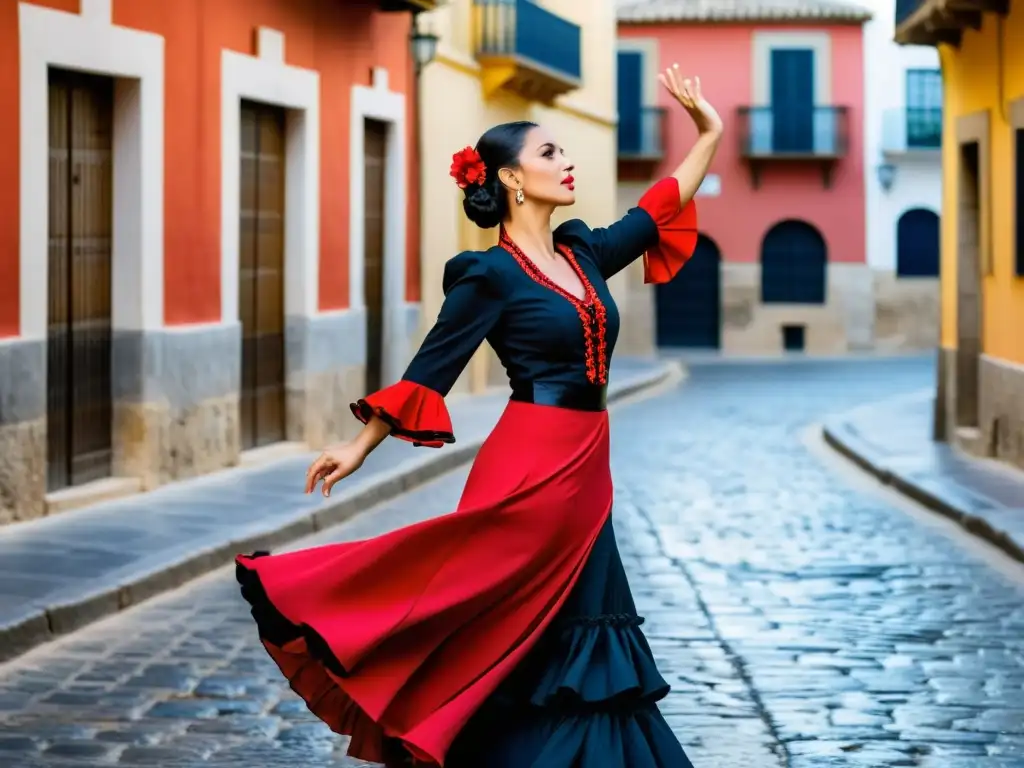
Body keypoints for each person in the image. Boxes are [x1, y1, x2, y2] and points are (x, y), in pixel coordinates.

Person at [236, 65, 723, 767]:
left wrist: (707, 128)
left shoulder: (585, 253)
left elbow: (660, 205)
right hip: (529, 469)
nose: (568, 161)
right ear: (514, 180)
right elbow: (433, 365)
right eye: (550, 153)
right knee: (491, 616)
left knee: (585, 626)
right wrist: (358, 446)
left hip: (586, 471)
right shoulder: (488, 276)